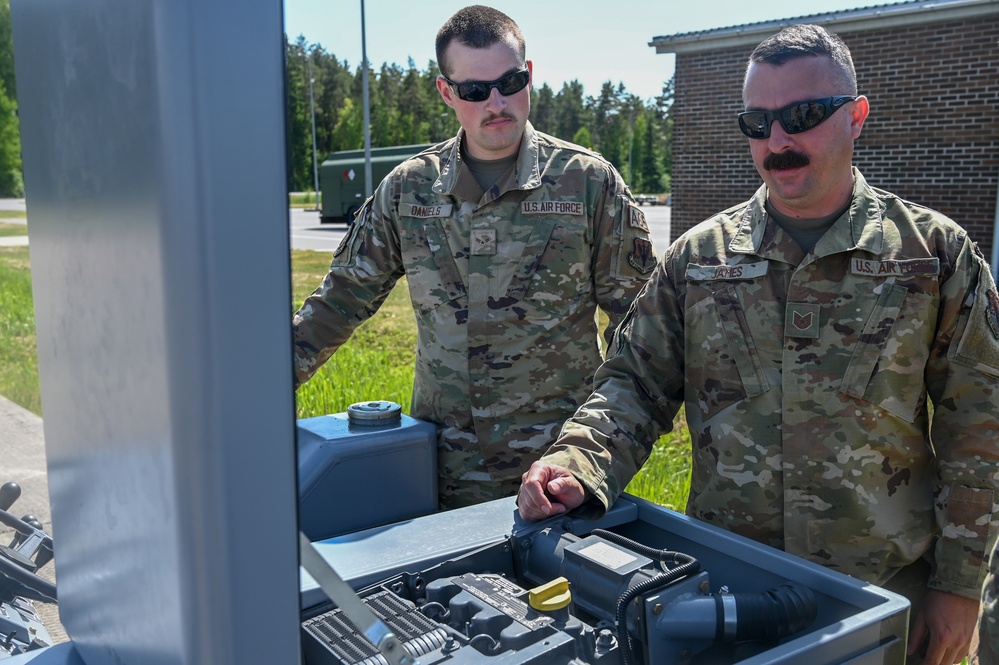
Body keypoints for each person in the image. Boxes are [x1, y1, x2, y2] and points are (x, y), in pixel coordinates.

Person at [517, 23, 999, 665]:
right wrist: (579, 462)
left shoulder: (932, 256)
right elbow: (632, 384)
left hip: (882, 600)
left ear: (856, 116)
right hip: (727, 594)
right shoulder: (699, 261)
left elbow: (980, 427)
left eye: (803, 115)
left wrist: (960, 585)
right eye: (757, 121)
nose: (778, 141)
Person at [292, 5, 656, 510]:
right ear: (447, 92)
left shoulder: (589, 184)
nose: (497, 102)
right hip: (441, 474)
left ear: (529, 75)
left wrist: (594, 458)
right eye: (474, 90)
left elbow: (642, 339)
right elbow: (338, 302)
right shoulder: (408, 190)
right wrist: (256, 390)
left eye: (510, 82)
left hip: (560, 476)